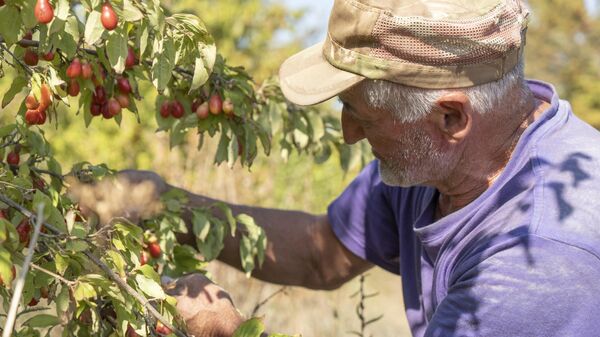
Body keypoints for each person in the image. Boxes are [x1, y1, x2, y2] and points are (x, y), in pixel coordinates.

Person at [82, 0, 600, 336]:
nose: (349, 133)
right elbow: (320, 253)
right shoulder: (435, 160)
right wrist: (164, 206)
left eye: (360, 113)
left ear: (450, 117)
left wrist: (225, 331)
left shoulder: (544, 260)